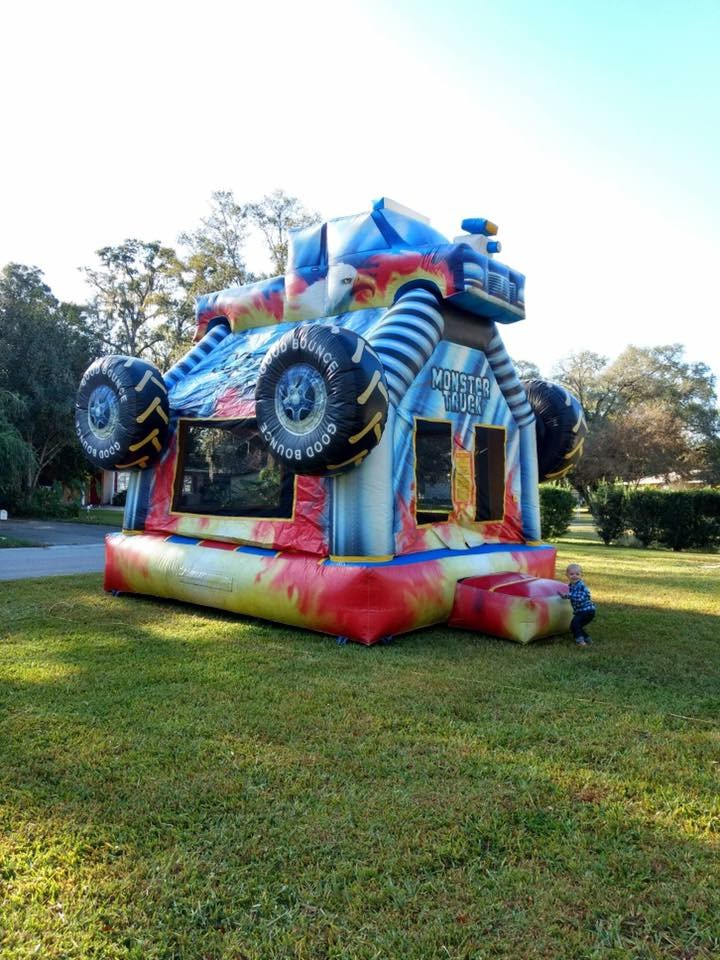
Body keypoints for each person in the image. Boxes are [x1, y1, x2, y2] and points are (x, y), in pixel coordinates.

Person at [559, 563, 596, 646]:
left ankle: (580, 641)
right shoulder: (571, 585)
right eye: (571, 574)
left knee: (575, 624)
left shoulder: (580, 585)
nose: (574, 576)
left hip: (587, 611)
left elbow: (579, 598)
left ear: (581, 575)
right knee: (574, 626)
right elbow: (569, 594)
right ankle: (587, 638)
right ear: (567, 575)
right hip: (581, 611)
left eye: (577, 574)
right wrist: (564, 595)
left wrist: (567, 595)